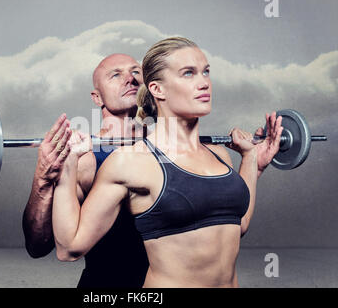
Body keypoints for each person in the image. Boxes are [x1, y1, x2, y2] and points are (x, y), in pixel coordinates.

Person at [52, 37, 284, 287]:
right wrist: (68, 162)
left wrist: (252, 161)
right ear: (157, 89)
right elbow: (69, 248)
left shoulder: (220, 155)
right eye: (188, 73)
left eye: (206, 72)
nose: (204, 82)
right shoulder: (131, 162)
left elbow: (236, 225)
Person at [22, 54, 150, 287]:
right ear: (97, 97)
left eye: (135, 72)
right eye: (116, 74)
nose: (130, 79)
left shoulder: (172, 149)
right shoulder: (83, 158)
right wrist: (42, 179)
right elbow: (38, 246)